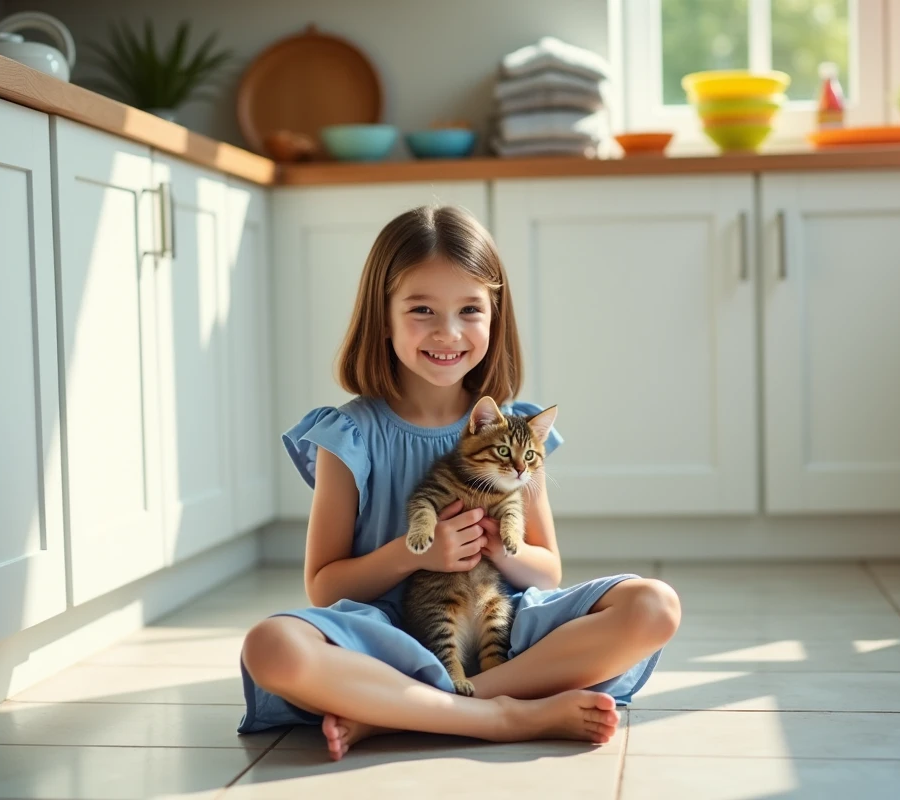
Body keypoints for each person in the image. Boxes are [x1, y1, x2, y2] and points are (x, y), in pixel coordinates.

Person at [239, 204, 681, 761]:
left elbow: (546, 567)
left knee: (655, 606)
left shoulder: (513, 432)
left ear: (495, 316)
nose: (447, 332)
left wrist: (499, 547)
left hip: (506, 630)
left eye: (470, 309)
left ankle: (406, 712)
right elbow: (325, 588)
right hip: (388, 638)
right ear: (384, 317)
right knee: (272, 646)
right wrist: (417, 554)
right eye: (422, 308)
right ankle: (501, 717)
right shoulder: (348, 434)